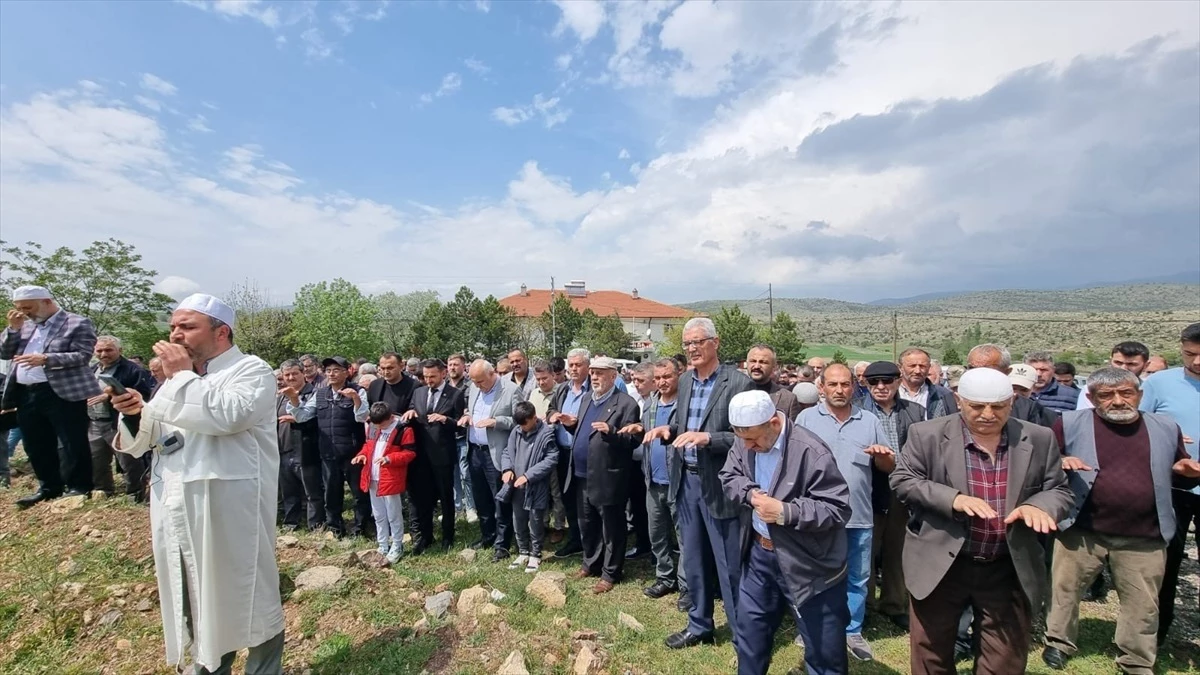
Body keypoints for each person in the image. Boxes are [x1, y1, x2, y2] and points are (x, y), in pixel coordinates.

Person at [109, 293, 284, 674]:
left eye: (187, 326)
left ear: (221, 332)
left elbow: (228, 417)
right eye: (173, 326)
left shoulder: (251, 370)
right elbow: (146, 441)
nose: (175, 335)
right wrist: (136, 413)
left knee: (248, 594)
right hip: (177, 504)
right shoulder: (178, 381)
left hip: (229, 506)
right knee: (196, 597)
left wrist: (182, 376)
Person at [890, 367, 1074, 675]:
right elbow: (903, 480)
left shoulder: (1038, 438)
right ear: (959, 400)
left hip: (1007, 564)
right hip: (943, 563)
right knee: (931, 650)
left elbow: (1058, 489)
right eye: (978, 406)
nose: (988, 414)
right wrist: (953, 499)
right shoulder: (928, 434)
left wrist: (1041, 505)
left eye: (998, 407)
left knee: (1005, 656)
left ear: (1012, 403)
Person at [1042, 367, 1200, 674]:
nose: (1118, 401)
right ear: (1091, 397)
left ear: (1139, 395)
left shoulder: (1165, 426)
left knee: (1143, 603)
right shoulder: (1070, 423)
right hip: (1082, 529)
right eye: (1107, 395)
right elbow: (1045, 463)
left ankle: (1137, 660)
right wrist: (1061, 462)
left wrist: (1185, 469)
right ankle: (1058, 643)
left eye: (1126, 393)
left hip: (1144, 532)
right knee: (1065, 591)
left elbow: (1177, 465)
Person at [719, 390, 852, 675]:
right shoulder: (745, 440)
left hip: (808, 564)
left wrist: (785, 512)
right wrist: (751, 495)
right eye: (742, 439)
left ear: (774, 423)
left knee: (822, 647)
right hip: (759, 557)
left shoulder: (810, 451)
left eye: (753, 438)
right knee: (750, 637)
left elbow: (837, 508)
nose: (748, 446)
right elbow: (729, 476)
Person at [645, 317, 754, 650]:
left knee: (728, 565)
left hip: (720, 484)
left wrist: (708, 438)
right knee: (692, 559)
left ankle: (742, 633)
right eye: (687, 344)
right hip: (686, 482)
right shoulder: (687, 381)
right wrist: (669, 431)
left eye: (697, 342)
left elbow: (747, 436)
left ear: (715, 343)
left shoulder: (738, 383)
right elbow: (682, 424)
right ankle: (699, 624)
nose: (691, 349)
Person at [796, 363, 895, 661]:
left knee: (857, 576)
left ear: (854, 386)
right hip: (817, 516)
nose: (839, 390)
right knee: (815, 574)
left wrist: (883, 458)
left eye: (845, 385)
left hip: (859, 515)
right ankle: (811, 627)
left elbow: (888, 467)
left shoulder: (869, 421)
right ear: (821, 387)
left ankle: (852, 630)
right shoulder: (806, 419)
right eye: (833, 385)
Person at [2, 285, 103, 507]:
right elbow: (5, 352)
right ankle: (49, 487)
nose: (24, 312)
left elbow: (82, 355)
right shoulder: (23, 326)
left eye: (28, 307)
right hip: (26, 393)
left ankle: (79, 487)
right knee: (35, 443)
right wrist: (13, 329)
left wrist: (46, 358)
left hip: (60, 391)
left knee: (71, 440)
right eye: (19, 308)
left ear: (46, 302)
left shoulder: (77, 322)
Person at [1141, 322, 1200, 645]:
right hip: (1172, 487)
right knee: (1166, 561)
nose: (1197, 362)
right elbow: (1138, 427)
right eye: (1190, 354)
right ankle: (1156, 633)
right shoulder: (1160, 384)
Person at [855, 360, 925, 631]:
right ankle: (867, 605)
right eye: (874, 382)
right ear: (866, 384)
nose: (881, 387)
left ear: (898, 382)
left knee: (899, 548)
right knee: (867, 549)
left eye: (887, 381)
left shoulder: (916, 412)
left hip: (904, 488)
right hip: (869, 487)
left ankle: (895, 604)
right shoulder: (858, 411)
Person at [562, 357, 641, 593]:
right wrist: (570, 425)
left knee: (612, 527)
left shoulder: (625, 404)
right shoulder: (588, 399)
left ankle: (611, 572)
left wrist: (613, 432)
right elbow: (587, 432)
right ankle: (591, 563)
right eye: (593, 373)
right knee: (588, 523)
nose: (594, 377)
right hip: (583, 474)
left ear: (613, 376)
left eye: (600, 373)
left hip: (609, 476)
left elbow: (633, 440)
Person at [623, 357, 689, 606]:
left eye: (667, 377)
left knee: (683, 539)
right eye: (658, 378)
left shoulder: (684, 404)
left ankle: (686, 585)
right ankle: (665, 577)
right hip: (653, 480)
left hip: (678, 481)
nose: (662, 382)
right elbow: (649, 435)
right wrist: (639, 430)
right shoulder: (650, 404)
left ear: (678, 376)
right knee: (657, 535)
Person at [288, 356, 370, 538]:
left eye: (336, 370)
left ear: (347, 371)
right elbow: (303, 416)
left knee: (359, 494)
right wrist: (294, 400)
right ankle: (335, 529)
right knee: (331, 494)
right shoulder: (321, 394)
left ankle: (360, 529)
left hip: (353, 452)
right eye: (328, 371)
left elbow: (363, 416)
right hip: (328, 452)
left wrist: (355, 399)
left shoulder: (358, 391)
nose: (331, 374)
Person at [460, 358, 525, 561]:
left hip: (496, 452)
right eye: (474, 382)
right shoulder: (474, 387)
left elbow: (519, 419)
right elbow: (473, 409)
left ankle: (503, 544)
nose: (477, 385)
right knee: (481, 498)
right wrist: (468, 416)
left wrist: (496, 422)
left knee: (500, 499)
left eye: (480, 381)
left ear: (492, 374)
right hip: (475, 450)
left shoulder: (510, 390)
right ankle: (487, 535)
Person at [404, 358, 467, 553]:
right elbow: (414, 409)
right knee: (423, 497)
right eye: (426, 376)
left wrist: (445, 419)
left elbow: (461, 423)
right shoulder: (419, 392)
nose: (429, 380)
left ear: (443, 374)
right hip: (421, 455)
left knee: (446, 497)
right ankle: (426, 535)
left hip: (443, 454)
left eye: (433, 376)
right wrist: (410, 413)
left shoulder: (455, 394)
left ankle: (448, 535)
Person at [87, 335, 154, 498]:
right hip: (94, 421)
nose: (104, 354)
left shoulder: (133, 370)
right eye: (99, 350)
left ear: (120, 350)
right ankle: (104, 490)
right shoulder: (92, 369)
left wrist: (111, 396)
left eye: (109, 350)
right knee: (97, 459)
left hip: (118, 421)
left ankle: (136, 492)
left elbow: (144, 395)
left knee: (128, 459)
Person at [352, 402, 417, 564]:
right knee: (379, 514)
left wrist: (389, 459)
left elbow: (410, 453)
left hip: (390, 477)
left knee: (393, 514)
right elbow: (368, 446)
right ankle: (382, 544)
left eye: (382, 424)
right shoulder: (373, 427)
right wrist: (362, 455)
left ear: (390, 418)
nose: (379, 428)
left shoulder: (403, 429)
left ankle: (397, 544)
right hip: (372, 476)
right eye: (376, 425)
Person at [500, 400, 559, 573]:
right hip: (516, 485)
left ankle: (535, 554)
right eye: (520, 425)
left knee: (535, 520)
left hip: (536, 486)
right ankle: (523, 551)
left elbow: (552, 458)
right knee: (518, 519)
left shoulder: (546, 433)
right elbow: (506, 452)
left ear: (534, 418)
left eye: (525, 424)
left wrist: (528, 475)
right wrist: (507, 469)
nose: (523, 428)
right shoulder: (516, 431)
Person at [547, 348, 593, 559]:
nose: (573, 369)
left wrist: (577, 424)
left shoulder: (594, 389)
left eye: (578, 365)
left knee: (587, 499)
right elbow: (550, 409)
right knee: (568, 497)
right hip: (563, 453)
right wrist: (554, 414)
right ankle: (575, 539)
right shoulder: (563, 389)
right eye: (571, 365)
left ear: (588, 366)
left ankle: (591, 541)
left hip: (586, 454)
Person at [276, 360, 324, 531]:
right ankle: (291, 522)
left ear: (303, 373)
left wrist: (296, 416)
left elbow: (309, 417)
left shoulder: (314, 393)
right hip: (284, 448)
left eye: (295, 373)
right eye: (287, 375)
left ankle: (316, 525)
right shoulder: (280, 396)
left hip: (307, 449)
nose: (291, 377)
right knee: (289, 491)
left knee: (312, 491)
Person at [446, 353, 477, 524]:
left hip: (464, 436)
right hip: (448, 436)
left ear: (463, 367)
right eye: (450, 364)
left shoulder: (471, 386)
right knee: (453, 474)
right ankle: (458, 508)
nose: (452, 368)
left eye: (456, 364)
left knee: (466, 473)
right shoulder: (444, 387)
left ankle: (471, 507)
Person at [1077, 341, 1151, 410]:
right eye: (1118, 363)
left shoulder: (1151, 389)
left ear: (1146, 365)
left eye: (1131, 364)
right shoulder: (1092, 388)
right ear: (1110, 361)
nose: (1123, 368)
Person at [746, 345, 805, 421]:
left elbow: (792, 431)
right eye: (753, 361)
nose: (756, 366)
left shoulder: (788, 399)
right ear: (746, 363)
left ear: (774, 366)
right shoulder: (734, 392)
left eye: (763, 362)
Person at [897, 348, 958, 420]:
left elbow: (953, 423)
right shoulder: (889, 394)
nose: (917, 371)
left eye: (922, 366)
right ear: (900, 367)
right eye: (912, 366)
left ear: (929, 367)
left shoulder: (943, 395)